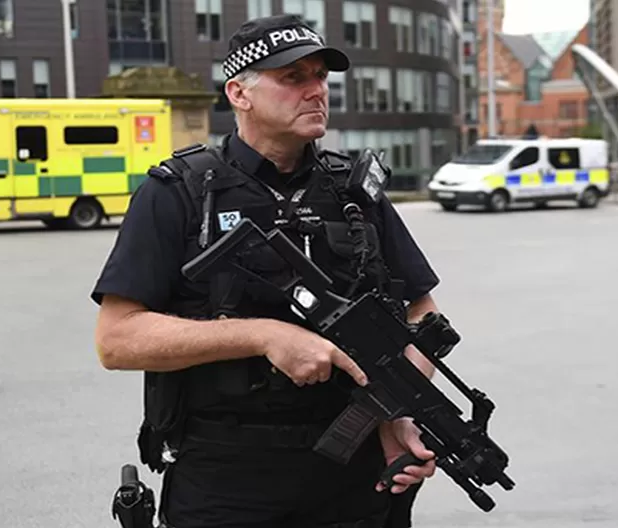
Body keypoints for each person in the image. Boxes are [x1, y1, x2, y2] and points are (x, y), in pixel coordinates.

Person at [92, 14, 441, 528]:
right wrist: (261, 336)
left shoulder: (355, 191)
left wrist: (392, 411)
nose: (315, 91)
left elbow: (423, 313)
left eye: (320, 76)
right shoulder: (179, 192)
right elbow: (116, 340)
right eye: (293, 77)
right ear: (240, 93)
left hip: (351, 470)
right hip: (225, 472)